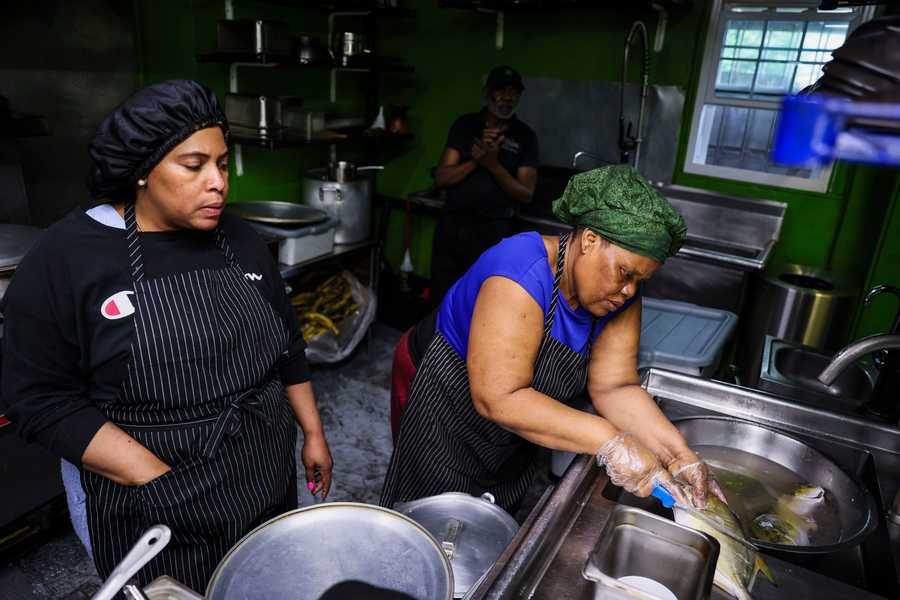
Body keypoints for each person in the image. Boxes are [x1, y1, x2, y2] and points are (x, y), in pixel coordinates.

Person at [0, 80, 333, 591]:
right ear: (141, 170)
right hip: (150, 495)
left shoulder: (239, 238)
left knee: (258, 582)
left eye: (222, 164)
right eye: (194, 165)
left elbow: (286, 343)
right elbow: (40, 400)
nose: (219, 183)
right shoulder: (66, 259)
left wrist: (311, 432)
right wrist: (165, 483)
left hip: (261, 466)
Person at [384, 165, 724, 513]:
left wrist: (680, 457)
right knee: (431, 514)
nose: (629, 291)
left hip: (515, 414)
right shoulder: (520, 273)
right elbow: (499, 398)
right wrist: (610, 441)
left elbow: (616, 387)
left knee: (492, 512)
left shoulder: (621, 296)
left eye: (641, 281)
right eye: (625, 273)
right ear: (590, 240)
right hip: (446, 395)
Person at [430, 65, 539, 302]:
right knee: (443, 295)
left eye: (514, 92)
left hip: (493, 231)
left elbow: (525, 193)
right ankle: (437, 339)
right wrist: (476, 161)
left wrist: (493, 164)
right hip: (453, 225)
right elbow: (441, 177)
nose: (507, 97)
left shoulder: (525, 136)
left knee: (480, 299)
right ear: (486, 93)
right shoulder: (465, 126)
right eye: (501, 90)